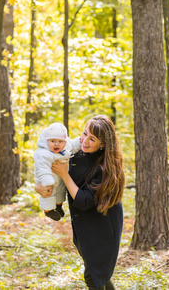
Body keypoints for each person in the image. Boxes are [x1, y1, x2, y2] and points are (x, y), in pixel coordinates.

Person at [35, 115, 125, 289]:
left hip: (103, 226)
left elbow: (84, 200)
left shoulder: (104, 168)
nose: (84, 141)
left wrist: (64, 174)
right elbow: (48, 171)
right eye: (84, 134)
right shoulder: (76, 153)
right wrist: (38, 188)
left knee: (94, 275)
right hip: (84, 224)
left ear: (103, 144)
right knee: (99, 273)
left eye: (92, 139)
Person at [34, 122, 81, 221]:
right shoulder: (43, 153)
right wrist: (47, 180)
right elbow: (42, 168)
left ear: (64, 142)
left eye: (60, 141)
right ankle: (48, 210)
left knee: (60, 190)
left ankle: (58, 206)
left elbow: (73, 145)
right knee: (49, 192)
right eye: (52, 141)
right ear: (46, 141)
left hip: (60, 177)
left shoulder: (66, 148)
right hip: (47, 179)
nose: (56, 144)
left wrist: (80, 141)